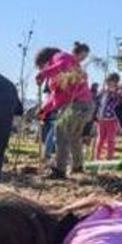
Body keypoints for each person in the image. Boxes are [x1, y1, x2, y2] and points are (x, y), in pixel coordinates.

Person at [35, 47, 93, 178]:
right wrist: (43, 111)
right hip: (85, 105)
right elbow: (57, 97)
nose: (41, 69)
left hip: (76, 104)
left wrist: (44, 73)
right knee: (74, 137)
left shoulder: (60, 57)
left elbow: (63, 66)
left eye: (41, 66)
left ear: (44, 60)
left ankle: (60, 170)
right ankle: (77, 167)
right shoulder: (56, 73)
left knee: (60, 132)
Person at [92, 74, 122, 160]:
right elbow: (97, 102)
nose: (109, 85)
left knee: (110, 138)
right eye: (108, 83)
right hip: (101, 119)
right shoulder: (102, 92)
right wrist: (95, 117)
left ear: (116, 83)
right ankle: (96, 156)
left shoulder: (117, 92)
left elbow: (120, 100)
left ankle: (109, 156)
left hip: (112, 119)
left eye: (112, 83)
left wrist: (117, 91)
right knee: (100, 138)